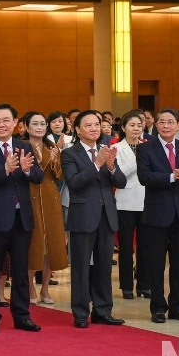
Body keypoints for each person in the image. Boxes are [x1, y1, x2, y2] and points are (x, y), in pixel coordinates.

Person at [0, 103, 43, 335]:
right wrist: (4, 169)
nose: (2, 124)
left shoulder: (25, 146)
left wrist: (24, 170)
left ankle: (22, 315)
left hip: (21, 219)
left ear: (15, 123)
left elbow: (38, 176)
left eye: (6, 120)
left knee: (21, 271)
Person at [137, 109, 179, 324]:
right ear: (156, 125)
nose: (166, 125)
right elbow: (144, 177)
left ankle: (178, 306)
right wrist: (173, 176)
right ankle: (157, 307)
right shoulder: (146, 148)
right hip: (156, 214)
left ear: (178, 125)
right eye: (162, 122)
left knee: (178, 263)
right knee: (156, 264)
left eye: (171, 122)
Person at [62, 110, 127, 328]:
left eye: (96, 125)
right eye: (88, 125)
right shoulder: (70, 154)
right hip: (83, 216)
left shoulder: (106, 151)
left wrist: (110, 166)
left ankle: (103, 311)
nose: (94, 129)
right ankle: (81, 313)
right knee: (80, 266)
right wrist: (97, 165)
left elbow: (121, 182)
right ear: (78, 129)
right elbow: (74, 182)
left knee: (104, 267)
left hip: (106, 216)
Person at [25, 112, 68, 304]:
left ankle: (45, 289)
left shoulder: (52, 147)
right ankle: (30, 288)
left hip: (51, 197)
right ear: (26, 127)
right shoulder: (22, 146)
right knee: (33, 243)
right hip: (30, 196)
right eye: (35, 123)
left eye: (42, 123)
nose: (39, 127)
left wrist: (55, 159)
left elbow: (60, 176)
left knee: (52, 243)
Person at [112, 111, 150, 300]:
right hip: (125, 202)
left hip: (146, 202)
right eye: (132, 125)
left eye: (139, 125)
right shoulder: (116, 148)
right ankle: (127, 286)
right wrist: (139, 161)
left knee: (145, 246)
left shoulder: (149, 146)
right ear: (124, 127)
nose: (136, 128)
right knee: (126, 247)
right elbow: (119, 175)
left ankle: (144, 285)